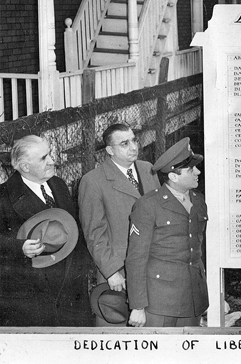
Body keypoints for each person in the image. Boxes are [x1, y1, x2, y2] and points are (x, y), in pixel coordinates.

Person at [0, 135, 93, 326]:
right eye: (44, 158)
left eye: (49, 154)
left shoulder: (58, 185)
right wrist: (19, 247)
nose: (52, 161)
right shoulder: (4, 196)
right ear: (25, 167)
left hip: (71, 291)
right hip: (34, 297)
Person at [78, 123, 160, 326]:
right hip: (119, 270)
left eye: (134, 140)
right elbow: (94, 232)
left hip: (153, 264)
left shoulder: (148, 169)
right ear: (109, 150)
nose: (133, 147)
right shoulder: (93, 181)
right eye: (124, 143)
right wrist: (111, 271)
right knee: (116, 332)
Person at [126, 137, 209, 327]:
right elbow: (136, 258)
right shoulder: (149, 205)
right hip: (159, 303)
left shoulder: (198, 201)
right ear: (173, 177)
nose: (198, 171)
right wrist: (138, 306)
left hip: (193, 300)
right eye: (191, 169)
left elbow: (198, 251)